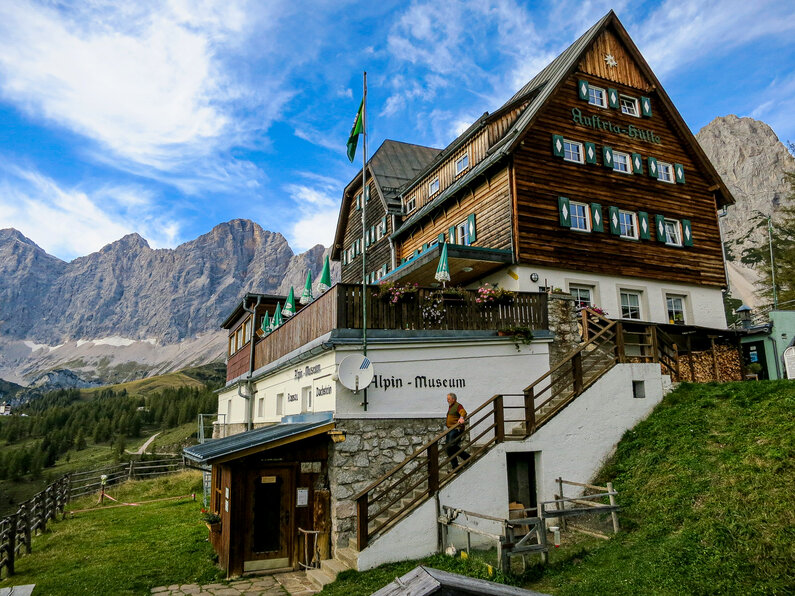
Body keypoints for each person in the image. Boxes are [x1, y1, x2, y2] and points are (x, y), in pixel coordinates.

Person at [445, 393, 471, 470]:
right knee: (448, 448)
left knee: (451, 446)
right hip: (450, 429)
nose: (447, 400)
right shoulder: (451, 406)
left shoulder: (458, 405)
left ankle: (466, 457)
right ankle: (455, 467)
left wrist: (462, 418)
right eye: (447, 398)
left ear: (453, 399)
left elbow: (463, 412)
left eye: (449, 399)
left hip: (456, 429)